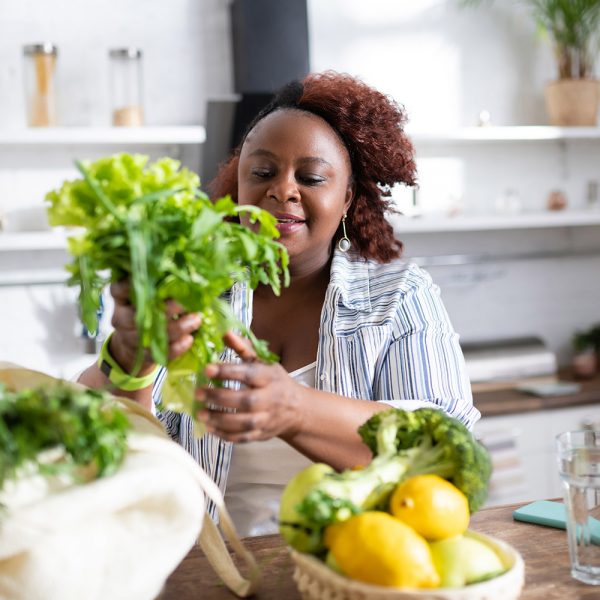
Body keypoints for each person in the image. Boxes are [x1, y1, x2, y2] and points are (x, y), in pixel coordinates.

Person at [79, 71, 479, 537]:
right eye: (263, 173)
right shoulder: (193, 289)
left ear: (347, 197)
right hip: (204, 571)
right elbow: (94, 451)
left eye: (310, 177)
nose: (283, 190)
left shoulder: (398, 296)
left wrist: (294, 408)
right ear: (238, 188)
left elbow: (447, 448)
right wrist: (131, 358)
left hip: (353, 568)